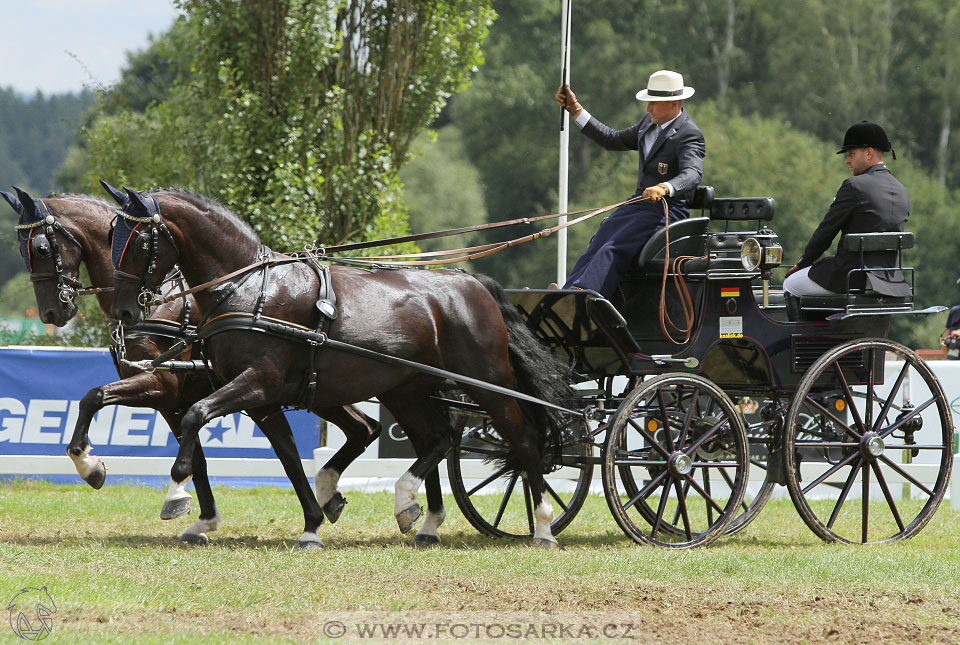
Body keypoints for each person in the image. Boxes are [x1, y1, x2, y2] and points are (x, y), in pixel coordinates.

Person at [555, 69, 705, 301]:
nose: (648, 109)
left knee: (613, 246)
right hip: (638, 206)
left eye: (654, 103)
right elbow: (611, 139)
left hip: (666, 211)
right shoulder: (648, 124)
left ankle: (585, 298)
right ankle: (566, 294)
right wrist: (575, 110)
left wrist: (665, 187)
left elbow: (692, 173)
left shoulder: (688, 134)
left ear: (674, 102)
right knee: (599, 240)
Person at [783, 121, 910, 298]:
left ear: (869, 153)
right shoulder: (901, 190)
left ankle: (821, 327)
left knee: (790, 284)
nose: (847, 161)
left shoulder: (854, 186)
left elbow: (826, 232)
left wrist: (803, 263)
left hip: (851, 278)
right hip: (890, 282)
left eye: (851, 154)